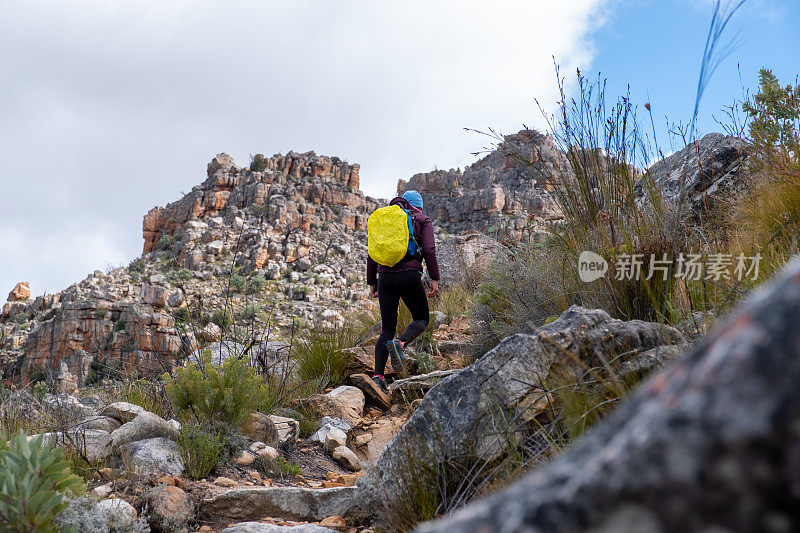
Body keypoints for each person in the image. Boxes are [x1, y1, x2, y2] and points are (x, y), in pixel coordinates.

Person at [367, 190, 440, 392]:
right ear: (418, 206)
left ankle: (378, 376)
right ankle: (401, 343)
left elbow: (372, 252)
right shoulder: (422, 219)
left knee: (387, 329)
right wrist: (434, 277)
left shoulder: (386, 218)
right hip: (409, 276)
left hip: (385, 279)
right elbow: (429, 250)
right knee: (421, 319)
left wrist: (371, 281)